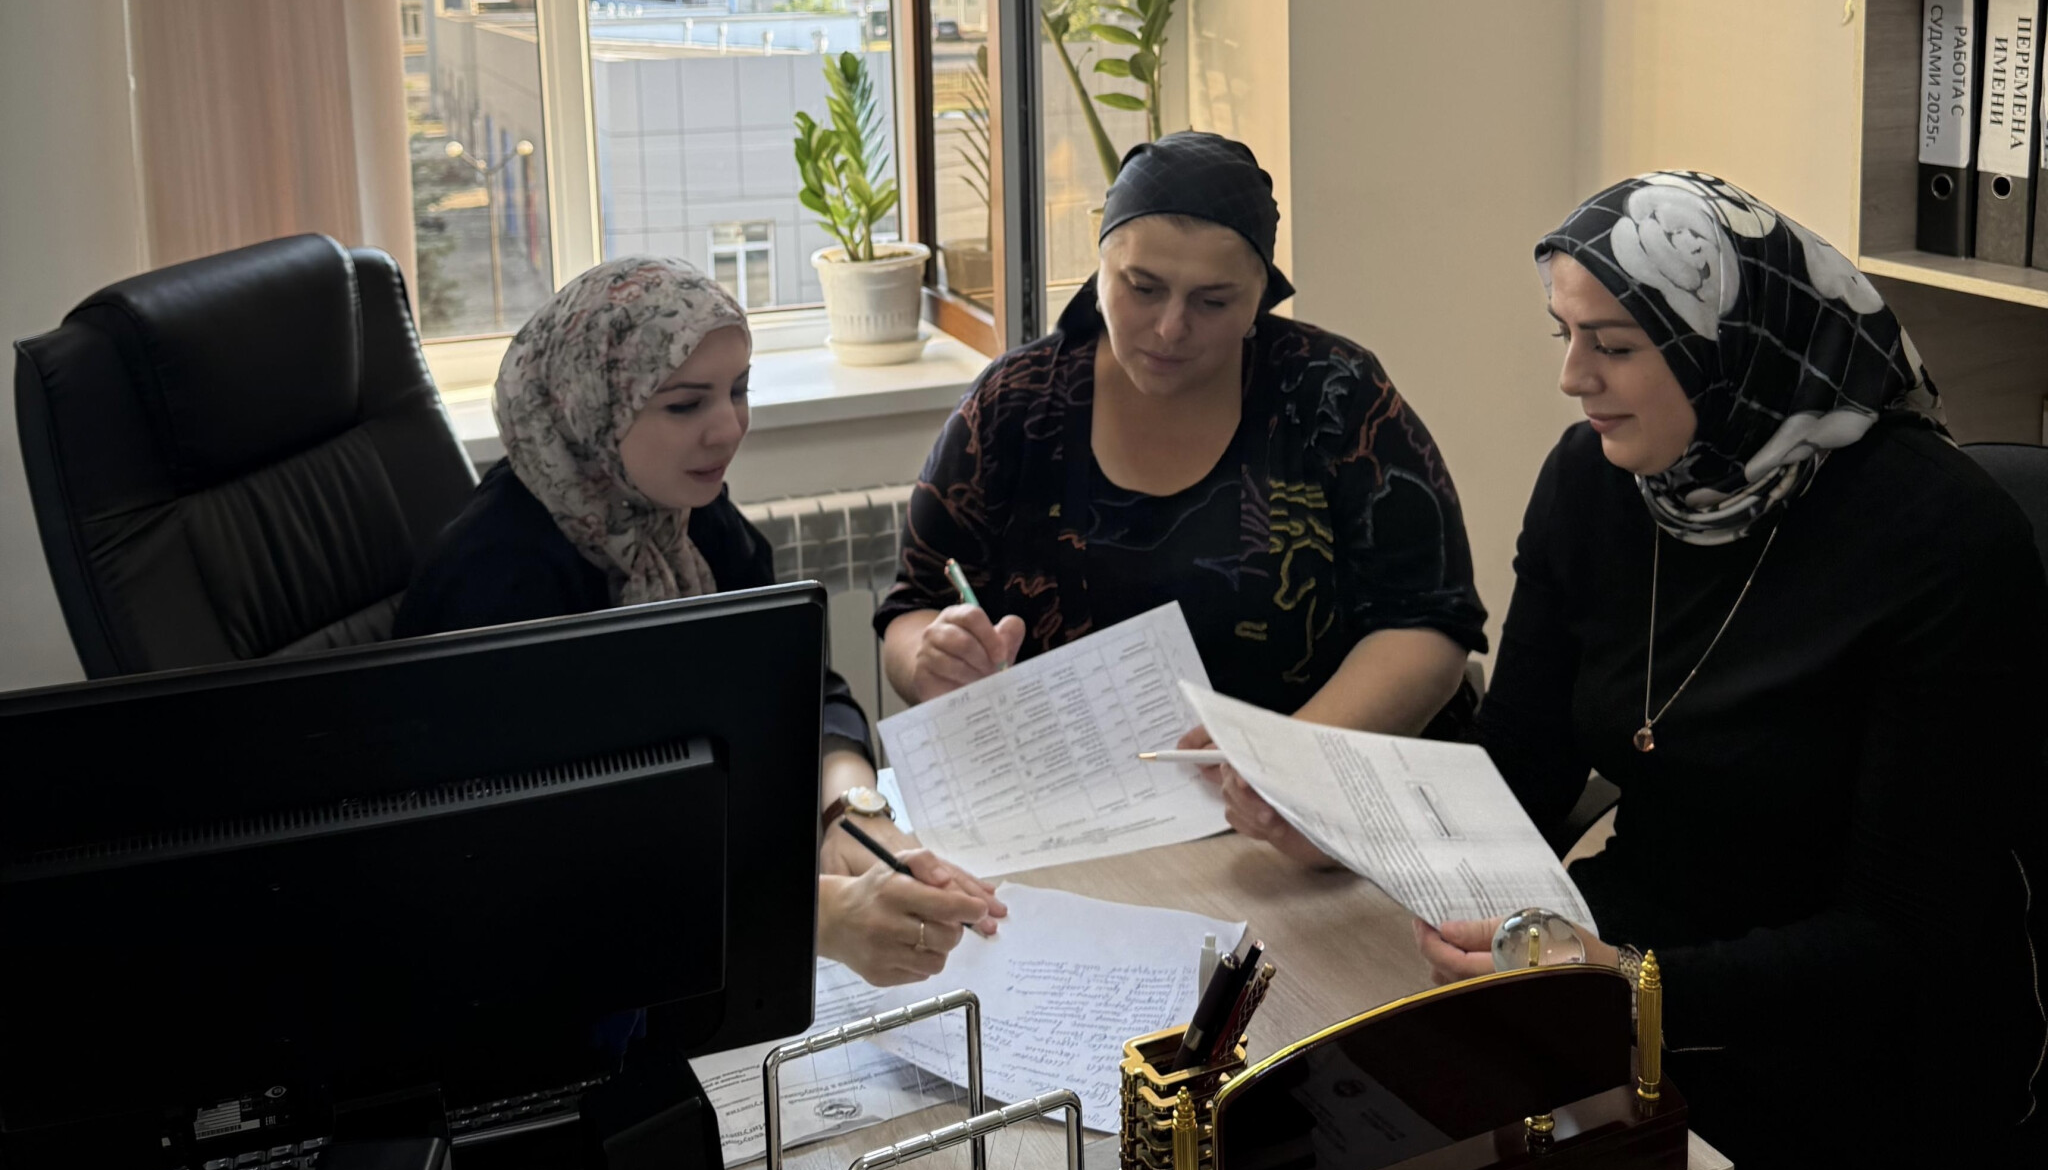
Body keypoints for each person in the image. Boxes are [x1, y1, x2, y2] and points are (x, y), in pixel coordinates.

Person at [1403, 172, 2047, 1170]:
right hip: (1632, 948)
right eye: (1565, 334)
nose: (1572, 378)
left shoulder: (1941, 540)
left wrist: (1630, 987)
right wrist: (1338, 813)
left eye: (1613, 345)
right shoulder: (1598, 481)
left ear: (1724, 342)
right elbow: (1523, 764)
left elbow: (1902, 935)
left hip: (1858, 1035)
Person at [395, 257, 1005, 988]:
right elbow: (526, 862)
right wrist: (811, 917)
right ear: (591, 406)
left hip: (702, 916)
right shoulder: (492, 582)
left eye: (738, 390)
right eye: (685, 404)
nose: (729, 428)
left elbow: (801, 686)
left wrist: (853, 812)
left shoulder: (685, 519)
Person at [874, 133, 1488, 851]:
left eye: (1213, 301)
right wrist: (932, 658)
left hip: (1307, 831)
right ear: (1098, 272)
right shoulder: (1016, 405)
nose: (1170, 328)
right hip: (1078, 822)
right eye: (1142, 288)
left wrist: (1290, 764)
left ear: (1261, 299)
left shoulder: (1332, 397)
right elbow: (913, 606)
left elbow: (1429, 626)